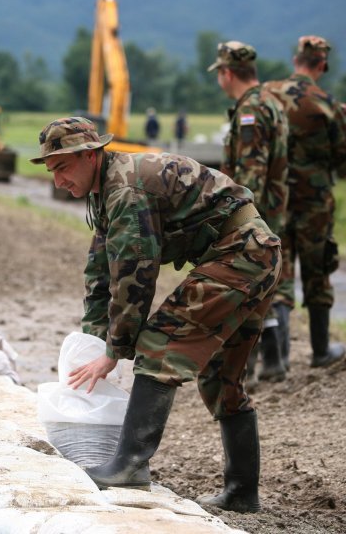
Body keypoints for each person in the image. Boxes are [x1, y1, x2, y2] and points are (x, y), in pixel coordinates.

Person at [32, 116, 281, 513]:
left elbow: (135, 276)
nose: (58, 180)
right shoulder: (104, 190)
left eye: (63, 167)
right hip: (251, 254)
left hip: (241, 254)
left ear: (90, 156)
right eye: (52, 170)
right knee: (220, 375)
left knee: (158, 342)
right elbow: (101, 271)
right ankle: (242, 491)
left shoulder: (126, 189)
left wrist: (115, 351)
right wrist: (93, 343)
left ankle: (129, 464)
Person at [209, 41, 289, 385]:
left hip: (254, 213)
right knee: (265, 285)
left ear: (228, 73)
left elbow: (252, 170)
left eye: (219, 74)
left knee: (246, 285)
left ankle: (248, 367)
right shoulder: (272, 101)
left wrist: (235, 211)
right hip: (273, 206)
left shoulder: (251, 110)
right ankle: (271, 359)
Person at [265, 36, 346, 369]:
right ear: (322, 65)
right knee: (317, 274)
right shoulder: (327, 105)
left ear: (296, 60)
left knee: (279, 275)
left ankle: (278, 359)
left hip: (275, 201)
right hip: (315, 204)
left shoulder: (268, 95)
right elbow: (343, 163)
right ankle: (320, 351)